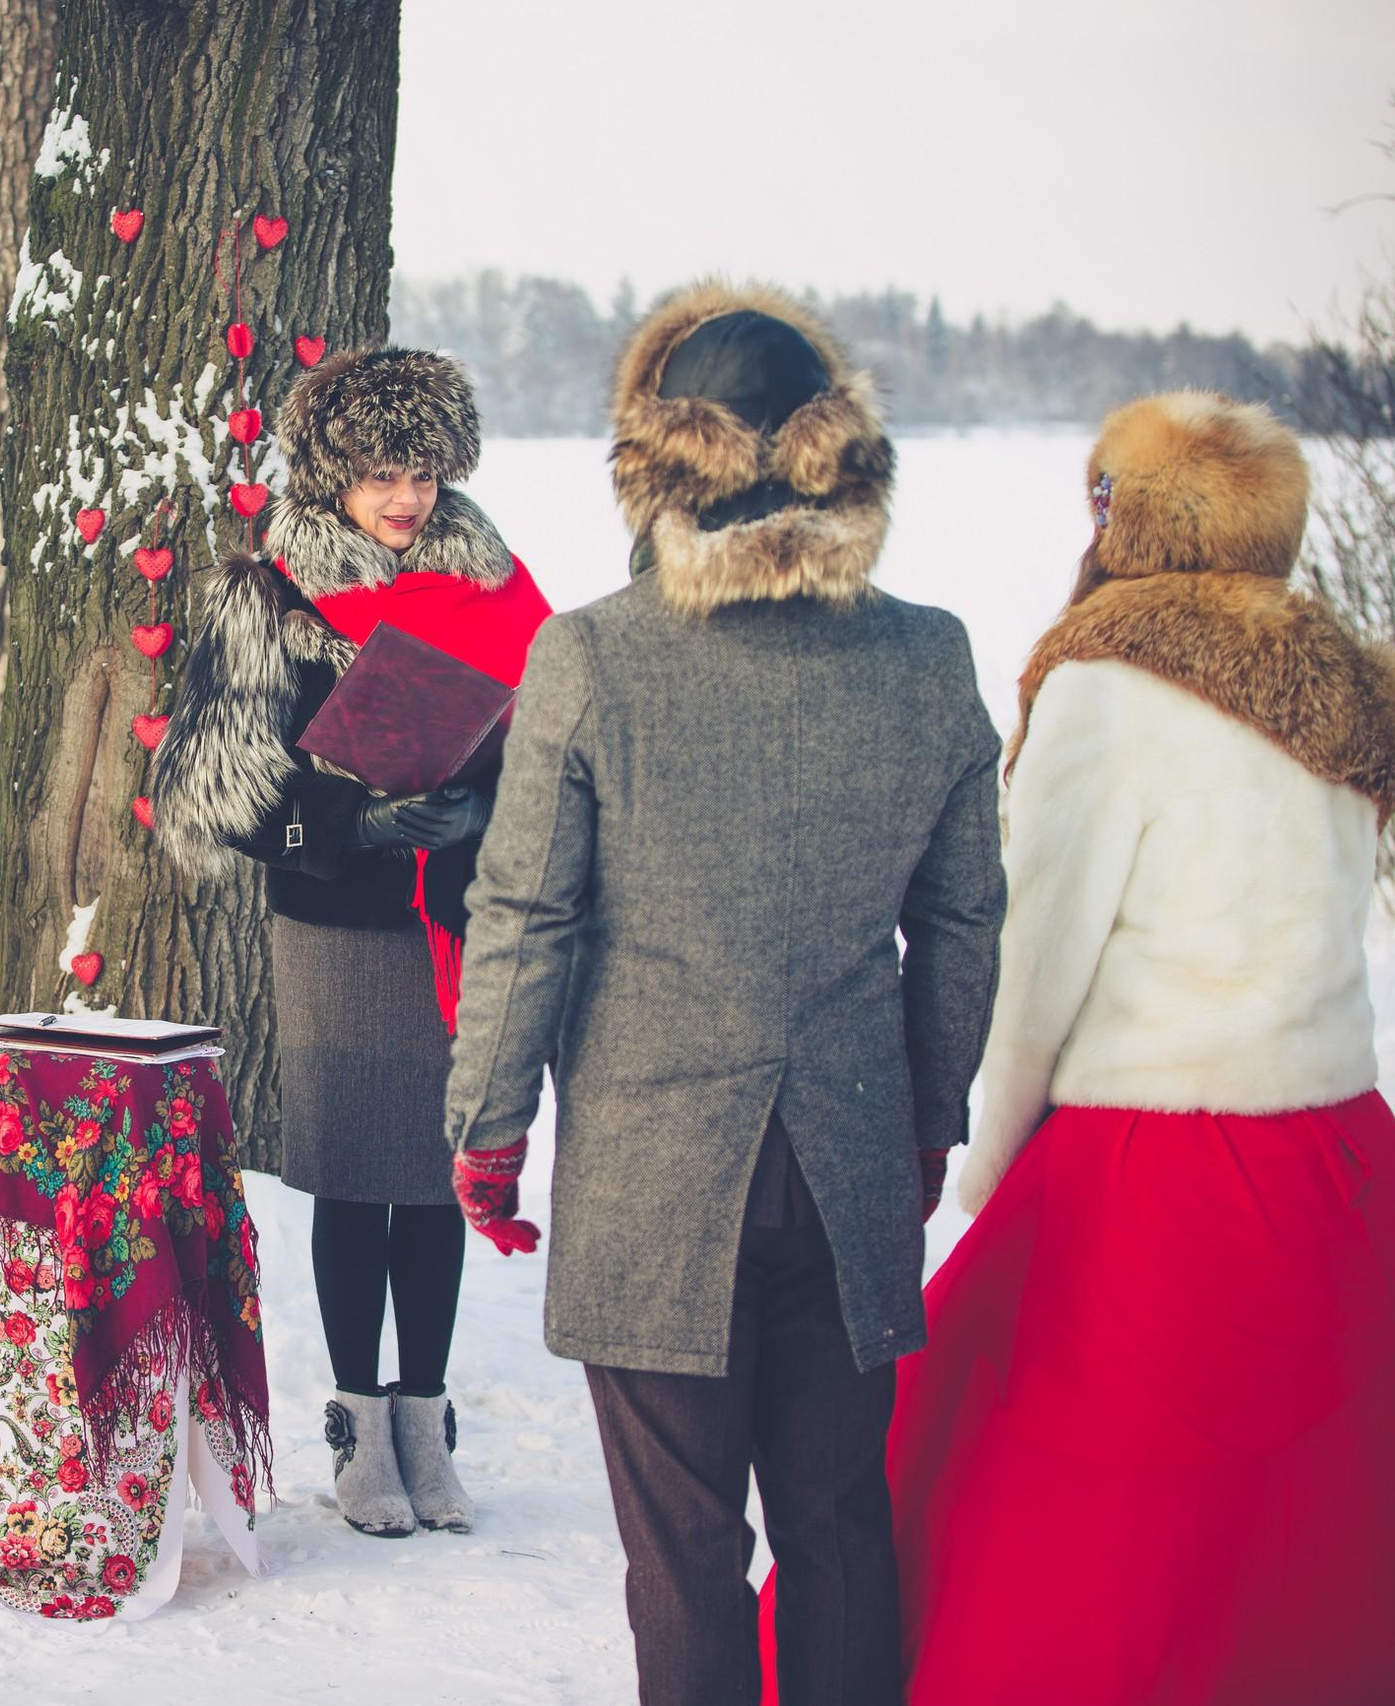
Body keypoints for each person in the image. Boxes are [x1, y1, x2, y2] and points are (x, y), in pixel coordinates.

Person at [440, 281, 1004, 1705]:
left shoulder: (591, 657)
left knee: (684, 1556)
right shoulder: (926, 657)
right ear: (844, 467)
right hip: (852, 1157)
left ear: (658, 468)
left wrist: (488, 1129)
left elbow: (526, 913)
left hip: (653, 1172)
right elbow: (961, 921)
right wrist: (931, 1120)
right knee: (837, 1532)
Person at [885, 392, 1395, 1704]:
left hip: (1150, 1148)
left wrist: (996, 1160)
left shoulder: (1105, 688)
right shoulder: (1340, 688)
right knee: (1334, 1504)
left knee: (1068, 1497)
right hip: (1331, 1139)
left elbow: (1035, 951)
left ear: (1128, 514)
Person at [151, 346, 552, 1538]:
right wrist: (354, 816)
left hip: (464, 910)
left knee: (436, 1171)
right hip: (337, 919)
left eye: (423, 471)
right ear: (332, 472)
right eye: (381, 472)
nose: (405, 498)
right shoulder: (269, 588)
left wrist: (492, 801)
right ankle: (356, 1425)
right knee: (351, 1169)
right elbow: (205, 786)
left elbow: (554, 733)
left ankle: (425, 1423)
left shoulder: (499, 584)